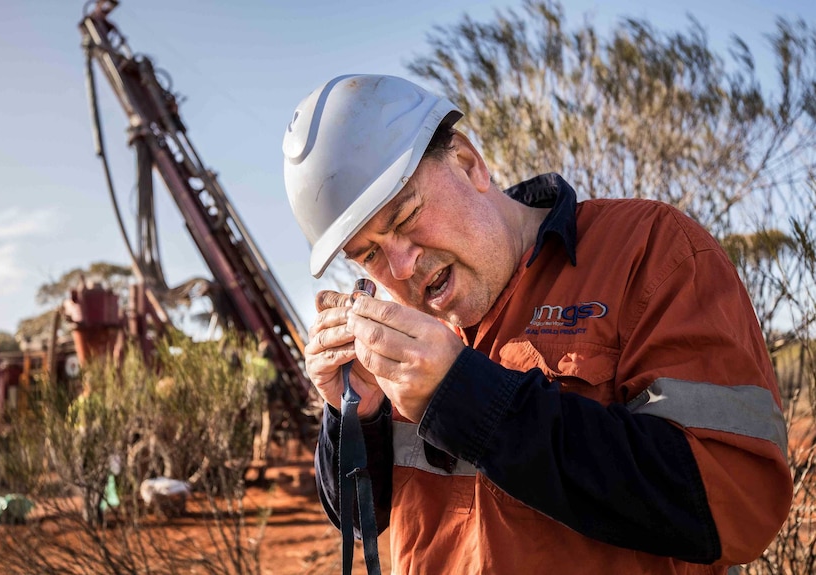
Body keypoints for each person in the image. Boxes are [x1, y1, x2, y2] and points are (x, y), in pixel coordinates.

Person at [282, 74, 792, 574]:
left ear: (466, 162)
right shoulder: (398, 332)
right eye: (369, 253)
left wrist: (467, 397)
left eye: (406, 215)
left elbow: (737, 506)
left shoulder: (650, 251)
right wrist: (354, 415)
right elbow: (357, 520)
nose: (401, 267)